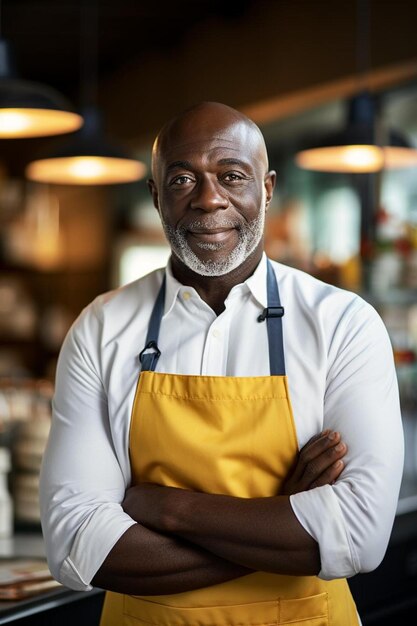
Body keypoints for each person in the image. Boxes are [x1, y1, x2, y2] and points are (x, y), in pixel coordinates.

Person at [40, 102, 404, 626]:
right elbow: (78, 546)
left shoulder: (343, 323)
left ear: (268, 189)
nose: (209, 199)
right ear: (155, 195)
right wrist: (281, 517)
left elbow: (357, 538)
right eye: (183, 179)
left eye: (232, 176)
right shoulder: (101, 327)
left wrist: (167, 509)